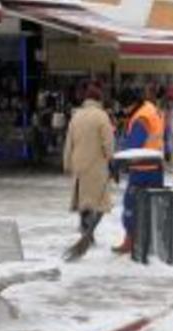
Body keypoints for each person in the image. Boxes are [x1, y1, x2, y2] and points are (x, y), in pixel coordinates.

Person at [111, 85, 166, 254]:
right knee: (150, 206)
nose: (123, 110)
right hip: (155, 166)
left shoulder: (141, 118)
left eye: (124, 106)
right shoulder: (150, 108)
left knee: (131, 204)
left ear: (131, 104)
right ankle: (149, 242)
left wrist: (116, 163)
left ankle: (131, 241)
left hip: (143, 169)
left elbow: (133, 145)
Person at [62, 82, 115, 249]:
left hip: (79, 165)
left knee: (84, 201)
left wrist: (67, 162)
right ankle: (88, 233)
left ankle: (86, 233)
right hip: (96, 165)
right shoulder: (102, 116)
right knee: (100, 203)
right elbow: (108, 143)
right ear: (99, 99)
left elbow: (69, 142)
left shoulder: (76, 116)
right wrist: (111, 160)